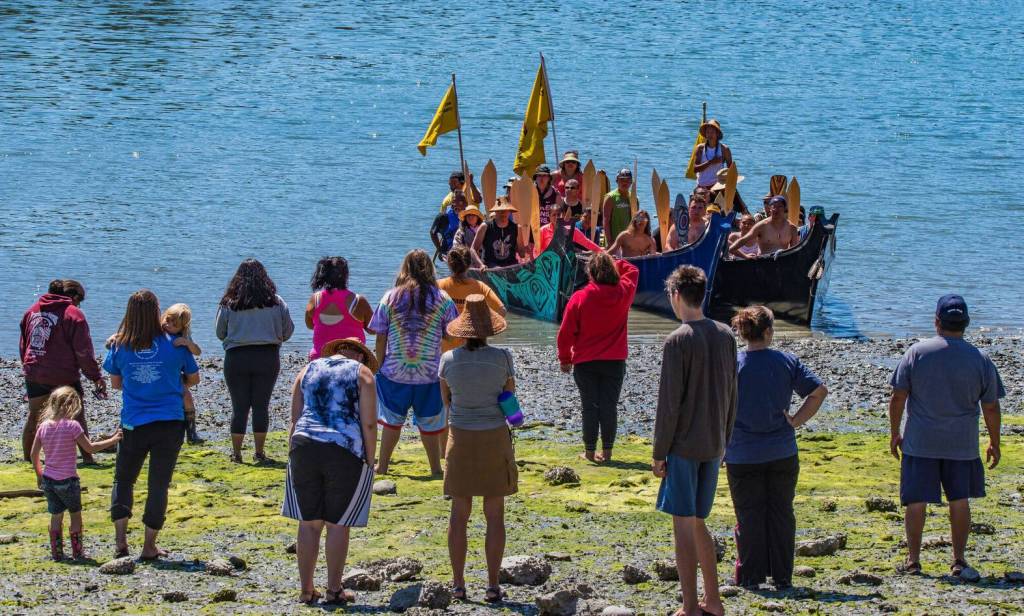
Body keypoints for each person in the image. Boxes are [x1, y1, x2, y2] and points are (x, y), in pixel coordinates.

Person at [889, 295, 1004, 580]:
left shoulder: (917, 353)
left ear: (937, 321)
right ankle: (958, 560)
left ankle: (913, 561)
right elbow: (990, 406)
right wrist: (995, 441)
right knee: (959, 499)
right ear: (966, 323)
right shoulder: (980, 358)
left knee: (916, 501)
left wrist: (894, 433)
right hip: (961, 444)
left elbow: (898, 396)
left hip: (921, 441)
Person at [652, 265, 736, 616]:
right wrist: (725, 442)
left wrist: (659, 453)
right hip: (714, 443)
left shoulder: (678, 340)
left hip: (684, 447)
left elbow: (669, 404)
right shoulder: (726, 334)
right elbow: (733, 394)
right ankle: (713, 601)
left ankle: (690, 606)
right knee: (699, 522)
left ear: (675, 295)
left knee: (683, 525)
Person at [725, 306, 828, 589]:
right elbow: (818, 392)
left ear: (743, 332)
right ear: (768, 332)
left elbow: (717, 405)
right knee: (781, 513)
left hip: (742, 452)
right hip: (781, 451)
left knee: (749, 515)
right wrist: (796, 420)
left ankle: (750, 575)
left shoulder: (733, 363)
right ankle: (782, 576)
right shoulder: (786, 360)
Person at [104, 289, 200, 560]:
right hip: (169, 422)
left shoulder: (120, 345)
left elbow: (116, 383)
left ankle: (121, 543)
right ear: (157, 312)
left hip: (134, 422)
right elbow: (193, 379)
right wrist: (171, 382)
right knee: (158, 484)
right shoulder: (175, 343)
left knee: (124, 479)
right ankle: (149, 546)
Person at [286, 337, 378, 605]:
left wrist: (291, 453)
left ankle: (305, 589)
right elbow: (369, 423)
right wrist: (370, 460)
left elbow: (295, 417)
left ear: (337, 351)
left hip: (304, 445)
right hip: (343, 448)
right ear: (360, 356)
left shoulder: (308, 369)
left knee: (309, 522)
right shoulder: (362, 373)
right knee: (338, 524)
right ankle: (334, 589)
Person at [439, 295, 518, 604]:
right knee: (494, 515)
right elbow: (509, 401)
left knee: (459, 515)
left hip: (460, 439)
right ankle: (493, 585)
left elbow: (447, 402)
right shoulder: (503, 358)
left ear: (462, 330)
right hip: (493, 437)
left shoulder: (448, 361)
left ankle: (458, 585)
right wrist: (516, 418)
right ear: (489, 330)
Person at [371, 250, 459, 476]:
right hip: (430, 372)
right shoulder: (443, 299)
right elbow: (452, 334)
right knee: (430, 424)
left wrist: (378, 365)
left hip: (394, 372)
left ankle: (383, 466)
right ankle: (436, 468)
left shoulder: (390, 297)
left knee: (391, 422)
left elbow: (380, 335)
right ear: (430, 269)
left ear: (405, 268)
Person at [557, 253, 638, 462]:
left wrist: (564, 359)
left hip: (585, 362)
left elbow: (566, 333)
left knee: (589, 407)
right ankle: (609, 453)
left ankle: (590, 452)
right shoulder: (624, 291)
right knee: (609, 406)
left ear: (591, 273)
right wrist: (613, 260)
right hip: (615, 360)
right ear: (613, 271)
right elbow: (633, 270)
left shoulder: (580, 297)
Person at [216, 259, 295, 464]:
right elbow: (288, 331)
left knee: (239, 407)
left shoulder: (229, 302)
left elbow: (219, 332)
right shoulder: (277, 301)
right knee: (261, 405)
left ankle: (237, 453)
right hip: (267, 356)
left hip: (237, 357)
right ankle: (259, 452)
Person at [19, 279, 107, 464]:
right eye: (79, 299)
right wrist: (95, 377)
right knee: (77, 414)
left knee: (35, 415)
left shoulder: (32, 311)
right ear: (73, 296)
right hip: (63, 375)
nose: (79, 304)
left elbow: (24, 344)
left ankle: (28, 459)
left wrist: (28, 367)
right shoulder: (74, 314)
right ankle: (88, 458)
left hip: (35, 371)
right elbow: (83, 351)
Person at [30, 386, 122, 561]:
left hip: (49, 479)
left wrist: (38, 474)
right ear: (73, 405)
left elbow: (34, 454)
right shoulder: (73, 426)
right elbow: (90, 448)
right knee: (75, 514)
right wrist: (113, 439)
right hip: (69, 480)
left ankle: (57, 553)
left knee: (56, 516)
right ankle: (78, 552)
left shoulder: (43, 426)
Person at [305, 256, 374, 360]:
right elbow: (373, 330)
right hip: (351, 358)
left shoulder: (315, 299)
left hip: (319, 358)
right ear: (346, 276)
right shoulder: (358, 301)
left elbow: (310, 325)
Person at [161, 304, 205, 444]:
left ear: (182, 328)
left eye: (174, 325)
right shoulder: (157, 329)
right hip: (160, 371)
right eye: (167, 320)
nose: (168, 325)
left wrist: (186, 343)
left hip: (175, 374)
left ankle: (191, 432)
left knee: (187, 397)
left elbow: (197, 352)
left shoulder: (184, 336)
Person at [728, 195, 798, 257]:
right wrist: (745, 256)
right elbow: (743, 240)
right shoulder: (761, 226)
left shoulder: (792, 228)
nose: (776, 209)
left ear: (785, 209)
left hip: (782, 264)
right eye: (774, 206)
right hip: (763, 263)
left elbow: (794, 253)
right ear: (770, 209)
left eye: (780, 206)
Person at [536, 201, 603, 256]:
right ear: (549, 216)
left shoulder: (570, 230)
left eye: (559, 214)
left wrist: (603, 252)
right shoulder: (542, 231)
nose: (556, 217)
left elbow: (587, 243)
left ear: (563, 215)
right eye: (554, 215)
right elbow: (536, 251)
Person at [471, 202, 521, 269]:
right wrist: (480, 265)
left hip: (511, 267)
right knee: (497, 268)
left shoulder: (516, 228)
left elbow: (522, 254)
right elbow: (473, 249)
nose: (503, 213)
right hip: (490, 268)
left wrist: (524, 247)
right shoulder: (485, 226)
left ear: (509, 211)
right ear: (495, 211)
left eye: (505, 210)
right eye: (500, 210)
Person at [694, 119, 733, 191]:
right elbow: (695, 169)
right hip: (702, 186)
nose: (709, 135)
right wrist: (711, 162)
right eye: (708, 132)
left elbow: (731, 171)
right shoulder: (700, 148)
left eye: (712, 132)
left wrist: (729, 186)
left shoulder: (724, 149)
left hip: (718, 186)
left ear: (717, 134)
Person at [431, 190, 468, 260]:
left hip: (465, 252)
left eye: (460, 202)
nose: (456, 204)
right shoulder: (443, 217)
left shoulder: (470, 216)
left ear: (466, 203)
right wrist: (439, 249)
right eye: (454, 202)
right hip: (448, 252)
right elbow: (432, 233)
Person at [602, 168, 634, 245]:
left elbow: (634, 221)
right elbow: (606, 221)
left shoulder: (634, 198)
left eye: (627, 180)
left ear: (631, 182)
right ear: (617, 181)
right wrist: (609, 241)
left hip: (628, 239)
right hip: (613, 239)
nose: (625, 183)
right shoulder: (610, 197)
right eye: (622, 180)